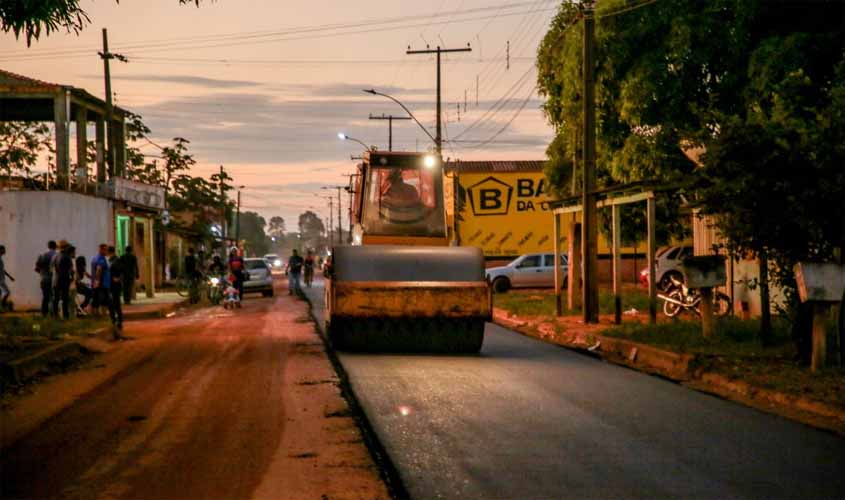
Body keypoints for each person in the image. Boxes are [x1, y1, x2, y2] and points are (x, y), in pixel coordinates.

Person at [51, 240, 74, 320]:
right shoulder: (67, 257)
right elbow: (71, 270)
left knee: (55, 298)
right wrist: (72, 278)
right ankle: (65, 315)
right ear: (66, 247)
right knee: (65, 298)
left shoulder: (55, 256)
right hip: (64, 279)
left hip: (55, 279)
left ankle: (55, 315)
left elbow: (52, 268)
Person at [34, 240, 57, 316]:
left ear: (48, 246)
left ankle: (44, 314)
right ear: (55, 246)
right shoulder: (56, 255)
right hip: (54, 279)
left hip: (44, 279)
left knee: (45, 297)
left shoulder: (41, 255)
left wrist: (42, 274)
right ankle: (53, 313)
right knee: (53, 297)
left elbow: (36, 269)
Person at [107, 246, 124, 334]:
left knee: (116, 303)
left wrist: (117, 278)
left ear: (110, 252)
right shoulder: (111, 260)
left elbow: (120, 271)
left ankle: (118, 321)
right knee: (112, 304)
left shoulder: (116, 260)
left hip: (115, 286)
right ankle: (114, 320)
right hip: (112, 285)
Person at [91, 244, 111, 316]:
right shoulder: (101, 258)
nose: (107, 251)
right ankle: (103, 314)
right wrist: (98, 280)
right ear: (101, 250)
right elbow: (99, 270)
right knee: (104, 299)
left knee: (95, 298)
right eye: (105, 250)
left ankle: (94, 314)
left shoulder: (94, 258)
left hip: (97, 282)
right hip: (102, 282)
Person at [0, 245, 14, 312]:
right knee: (7, 292)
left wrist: (9, 276)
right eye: (3, 249)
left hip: (2, 278)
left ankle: (3, 307)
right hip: (0, 280)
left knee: (4, 293)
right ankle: (3, 306)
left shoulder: (1, 259)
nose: (5, 251)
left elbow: (2, 270)